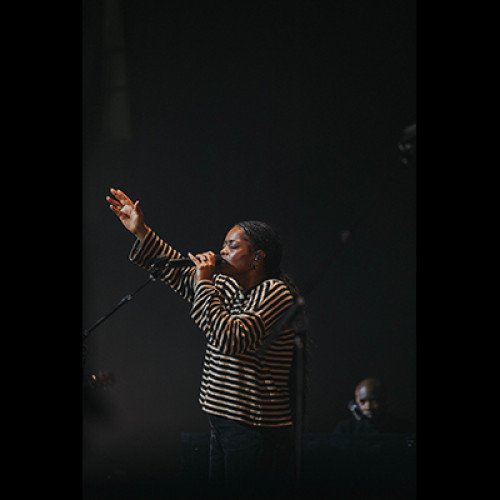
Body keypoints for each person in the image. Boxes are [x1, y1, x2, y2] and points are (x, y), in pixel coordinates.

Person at [106, 187, 299, 496]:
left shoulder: (275, 292)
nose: (222, 251)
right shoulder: (226, 285)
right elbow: (178, 272)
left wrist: (205, 282)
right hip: (223, 420)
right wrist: (142, 232)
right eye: (223, 245)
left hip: (255, 428)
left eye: (232, 246)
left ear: (258, 257)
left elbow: (232, 338)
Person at [334, 377, 415, 434]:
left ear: (384, 400)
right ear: (356, 402)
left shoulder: (403, 428)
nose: (368, 407)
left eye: (374, 400)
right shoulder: (345, 429)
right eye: (362, 402)